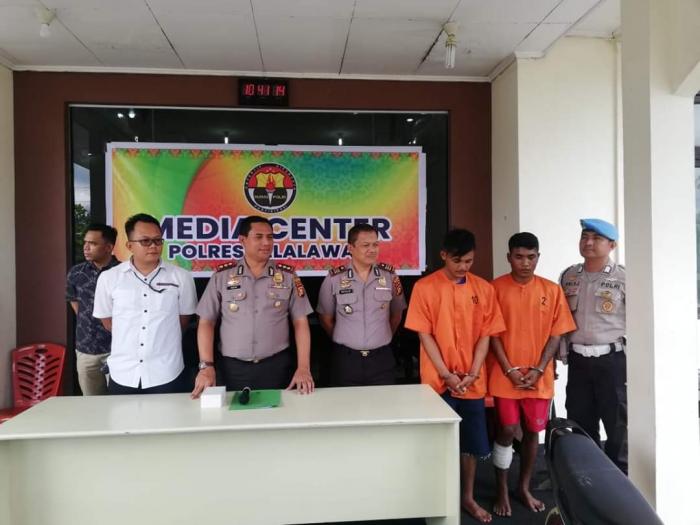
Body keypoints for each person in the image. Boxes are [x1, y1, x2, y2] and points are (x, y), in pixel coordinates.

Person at [405, 228, 505, 524]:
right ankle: (437, 497)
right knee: (437, 440)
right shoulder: (425, 287)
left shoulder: (483, 289)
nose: (463, 267)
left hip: (472, 381)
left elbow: (486, 334)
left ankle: (468, 497)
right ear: (444, 256)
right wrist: (446, 374)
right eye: (457, 261)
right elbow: (424, 335)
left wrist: (473, 372)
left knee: (471, 443)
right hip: (438, 381)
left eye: (469, 261)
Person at [489, 232, 576, 516]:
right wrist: (509, 369)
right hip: (505, 376)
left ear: (538, 257)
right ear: (509, 257)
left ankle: (523, 487)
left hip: (539, 377)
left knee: (532, 431)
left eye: (531, 257)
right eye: (519, 257)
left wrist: (539, 369)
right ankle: (501, 488)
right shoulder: (495, 288)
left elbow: (556, 333)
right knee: (506, 429)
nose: (525, 263)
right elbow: (492, 334)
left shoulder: (551, 290)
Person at [191, 215, 314, 397]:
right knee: (233, 413)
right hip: (232, 368)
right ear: (242, 240)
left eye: (270, 237)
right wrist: (206, 366)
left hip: (276, 366)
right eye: (259, 237)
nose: (266, 242)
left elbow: (301, 322)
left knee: (279, 411)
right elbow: (206, 322)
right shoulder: (222, 276)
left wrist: (303, 367)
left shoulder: (288, 276)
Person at [93, 213, 197, 394]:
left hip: (166, 371)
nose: (153, 246)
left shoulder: (181, 277)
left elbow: (183, 320)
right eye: (145, 241)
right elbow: (108, 322)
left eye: (157, 240)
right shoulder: (109, 278)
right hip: (123, 372)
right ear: (129, 245)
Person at [559, 218, 627, 473]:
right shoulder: (569, 276)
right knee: (579, 421)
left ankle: (620, 479)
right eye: (585, 237)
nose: (588, 242)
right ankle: (589, 478)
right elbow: (560, 320)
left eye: (596, 238)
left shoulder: (623, 278)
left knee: (618, 423)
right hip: (578, 360)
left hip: (612, 360)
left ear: (612, 245)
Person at [316, 223, 406, 386]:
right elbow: (325, 318)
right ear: (350, 248)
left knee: (383, 401)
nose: (372, 250)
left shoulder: (390, 276)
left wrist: (381, 337)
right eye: (365, 245)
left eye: (375, 245)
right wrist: (346, 338)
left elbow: (396, 315)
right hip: (346, 360)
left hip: (381, 359)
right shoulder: (334, 278)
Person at [66, 224, 120, 395]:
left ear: (109, 247)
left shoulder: (123, 272)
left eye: (93, 243)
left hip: (117, 349)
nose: (86, 247)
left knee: (120, 402)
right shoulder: (76, 273)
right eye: (85, 242)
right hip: (86, 349)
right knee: (91, 402)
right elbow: (74, 302)